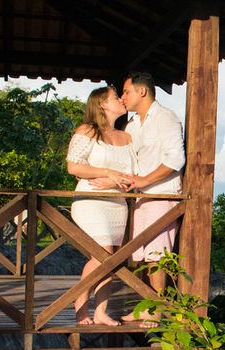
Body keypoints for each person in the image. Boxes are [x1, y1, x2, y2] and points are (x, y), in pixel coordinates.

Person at [119, 72, 185, 324]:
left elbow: (175, 159)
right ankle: (148, 305)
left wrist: (144, 181)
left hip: (161, 193)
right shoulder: (132, 125)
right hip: (140, 197)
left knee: (158, 253)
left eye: (126, 92)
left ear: (142, 91)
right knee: (142, 255)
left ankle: (157, 310)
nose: (123, 97)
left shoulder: (166, 118)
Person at [66, 86, 135, 326]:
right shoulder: (88, 130)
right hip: (91, 200)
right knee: (103, 253)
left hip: (117, 202)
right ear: (103, 104)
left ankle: (101, 311)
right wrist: (108, 172)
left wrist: (118, 180)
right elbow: (74, 167)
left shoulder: (126, 136)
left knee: (112, 257)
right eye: (116, 97)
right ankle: (80, 302)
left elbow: (133, 172)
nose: (121, 100)